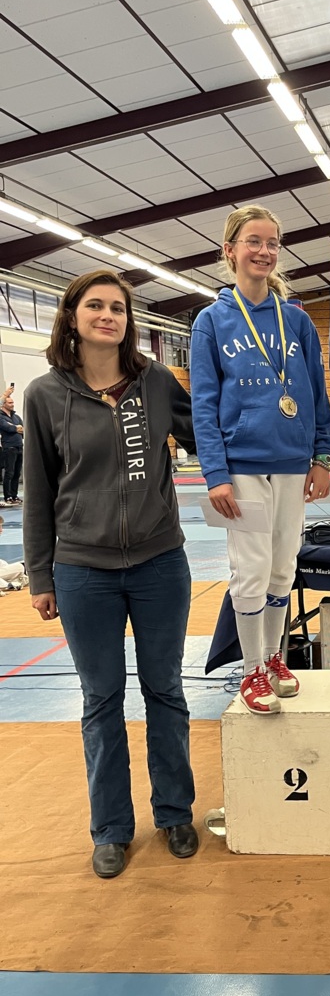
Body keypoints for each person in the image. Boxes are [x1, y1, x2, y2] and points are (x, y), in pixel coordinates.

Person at [23, 270, 197, 880]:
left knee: (165, 690)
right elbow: (38, 489)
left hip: (159, 564)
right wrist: (40, 576)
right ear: (71, 317)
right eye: (95, 306)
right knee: (101, 700)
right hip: (82, 571)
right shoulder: (44, 395)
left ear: (129, 320)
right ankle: (111, 828)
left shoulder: (156, 382)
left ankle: (175, 813)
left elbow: (208, 434)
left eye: (118, 308)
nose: (107, 316)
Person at [191, 205, 330, 716]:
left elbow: (316, 392)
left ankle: (275, 659)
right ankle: (251, 668)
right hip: (242, 465)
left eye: (272, 243)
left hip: (293, 463)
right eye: (254, 241)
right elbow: (203, 404)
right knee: (250, 569)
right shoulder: (211, 322)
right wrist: (215, 474)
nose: (264, 251)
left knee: (282, 567)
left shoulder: (296, 320)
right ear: (229, 251)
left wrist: (322, 455)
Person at [0, 391, 23, 505]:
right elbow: (8, 428)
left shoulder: (16, 417)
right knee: (9, 473)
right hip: (9, 447)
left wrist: (16, 427)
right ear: (3, 404)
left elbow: (23, 429)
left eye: (13, 402)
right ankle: (7, 496)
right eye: (9, 403)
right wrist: (15, 428)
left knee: (17, 473)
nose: (12, 404)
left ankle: (14, 495)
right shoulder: (1, 417)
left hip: (19, 447)